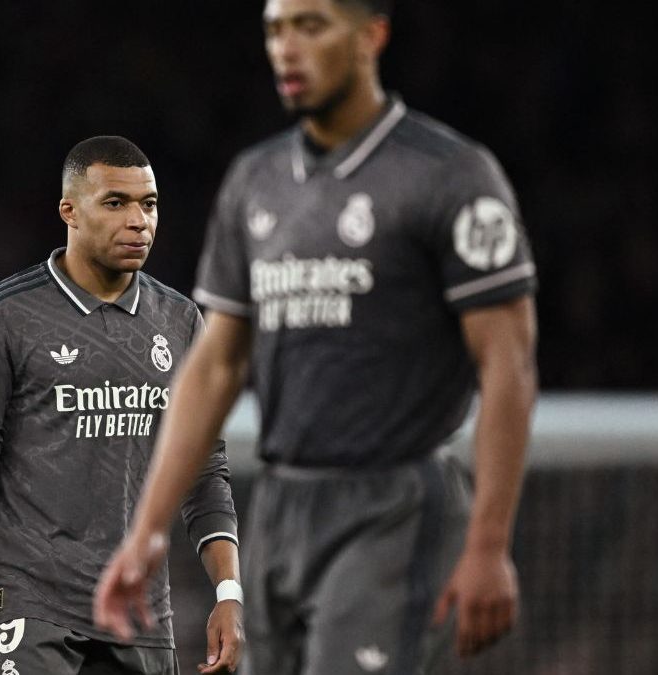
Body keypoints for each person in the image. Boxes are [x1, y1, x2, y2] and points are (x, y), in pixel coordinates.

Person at [94, 0, 539, 673]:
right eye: (275, 29)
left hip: (392, 504)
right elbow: (216, 363)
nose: (286, 47)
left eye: (311, 25)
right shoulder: (256, 180)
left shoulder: (449, 174)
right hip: (280, 504)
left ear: (372, 36)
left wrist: (489, 542)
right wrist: (149, 527)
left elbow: (508, 361)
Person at [0, 136, 244, 675]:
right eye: (115, 203)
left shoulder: (179, 321)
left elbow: (204, 470)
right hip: (31, 608)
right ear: (69, 211)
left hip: (140, 613)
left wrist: (229, 591)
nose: (139, 220)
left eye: (150, 203)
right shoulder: (6, 315)